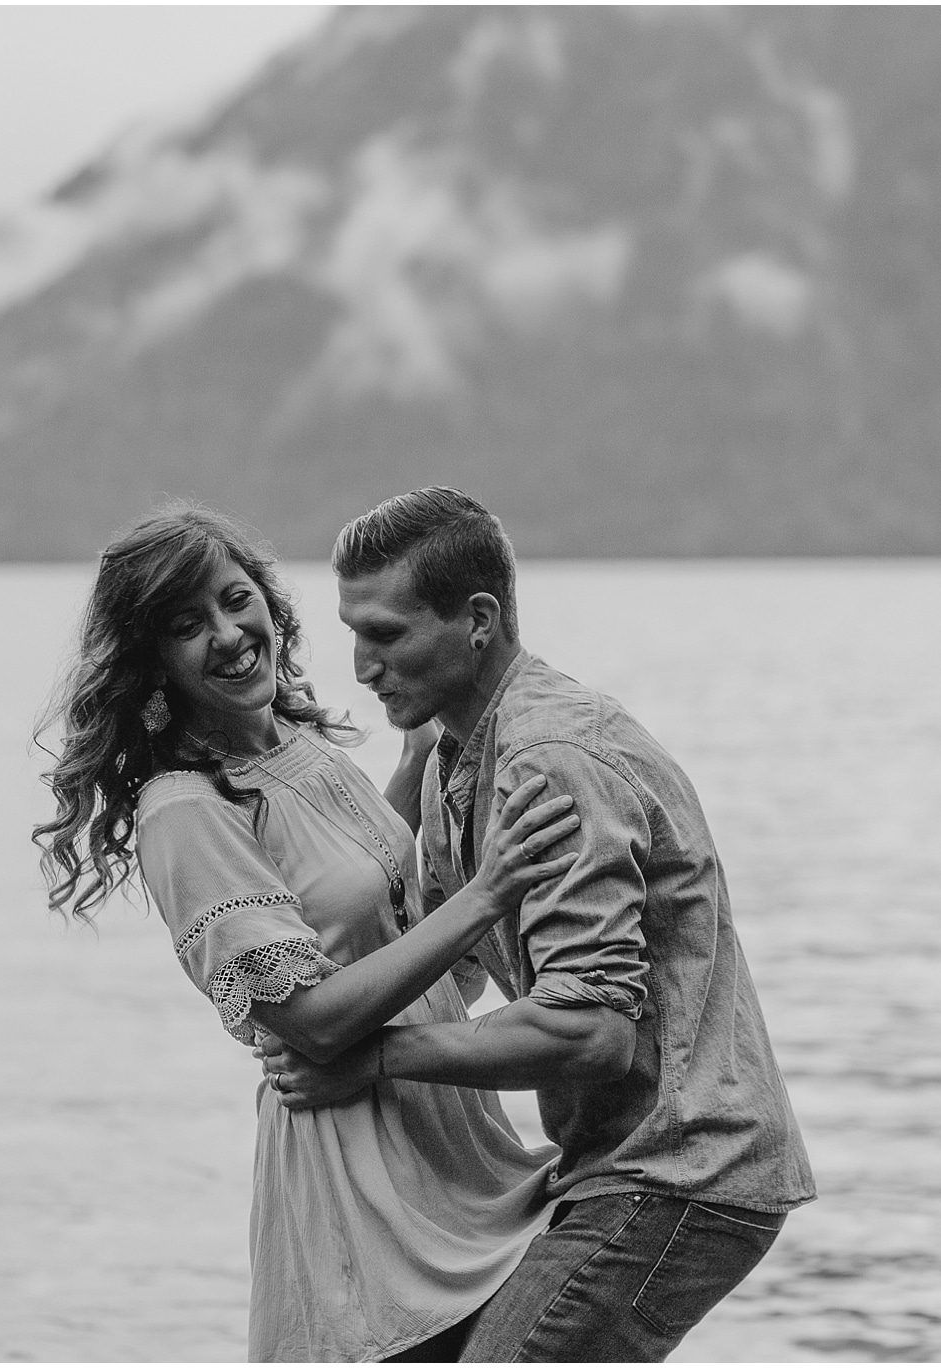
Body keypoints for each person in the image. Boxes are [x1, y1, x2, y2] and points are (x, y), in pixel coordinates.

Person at [261, 487, 816, 1362]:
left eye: (388, 634)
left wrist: (365, 1059)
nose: (362, 665)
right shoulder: (457, 753)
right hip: (608, 1168)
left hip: (684, 1168)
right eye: (352, 633)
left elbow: (589, 1032)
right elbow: (451, 977)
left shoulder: (549, 760)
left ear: (478, 620)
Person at [34, 504, 599, 1362]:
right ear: (151, 663)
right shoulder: (185, 810)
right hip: (362, 1182)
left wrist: (415, 769)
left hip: (451, 1143)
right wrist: (486, 896)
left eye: (236, 599)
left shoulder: (296, 745)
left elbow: (362, 888)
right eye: (188, 627)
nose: (228, 636)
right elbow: (316, 1020)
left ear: (270, 599)